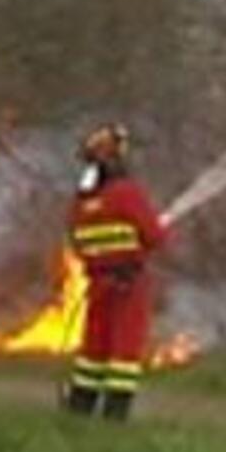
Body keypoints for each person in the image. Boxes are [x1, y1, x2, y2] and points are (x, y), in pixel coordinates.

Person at [64, 123, 168, 420]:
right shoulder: (127, 193)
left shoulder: (81, 203)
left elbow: (77, 241)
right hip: (129, 283)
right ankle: (114, 414)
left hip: (98, 282)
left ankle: (80, 406)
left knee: (94, 346)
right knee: (125, 347)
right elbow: (155, 237)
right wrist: (158, 227)